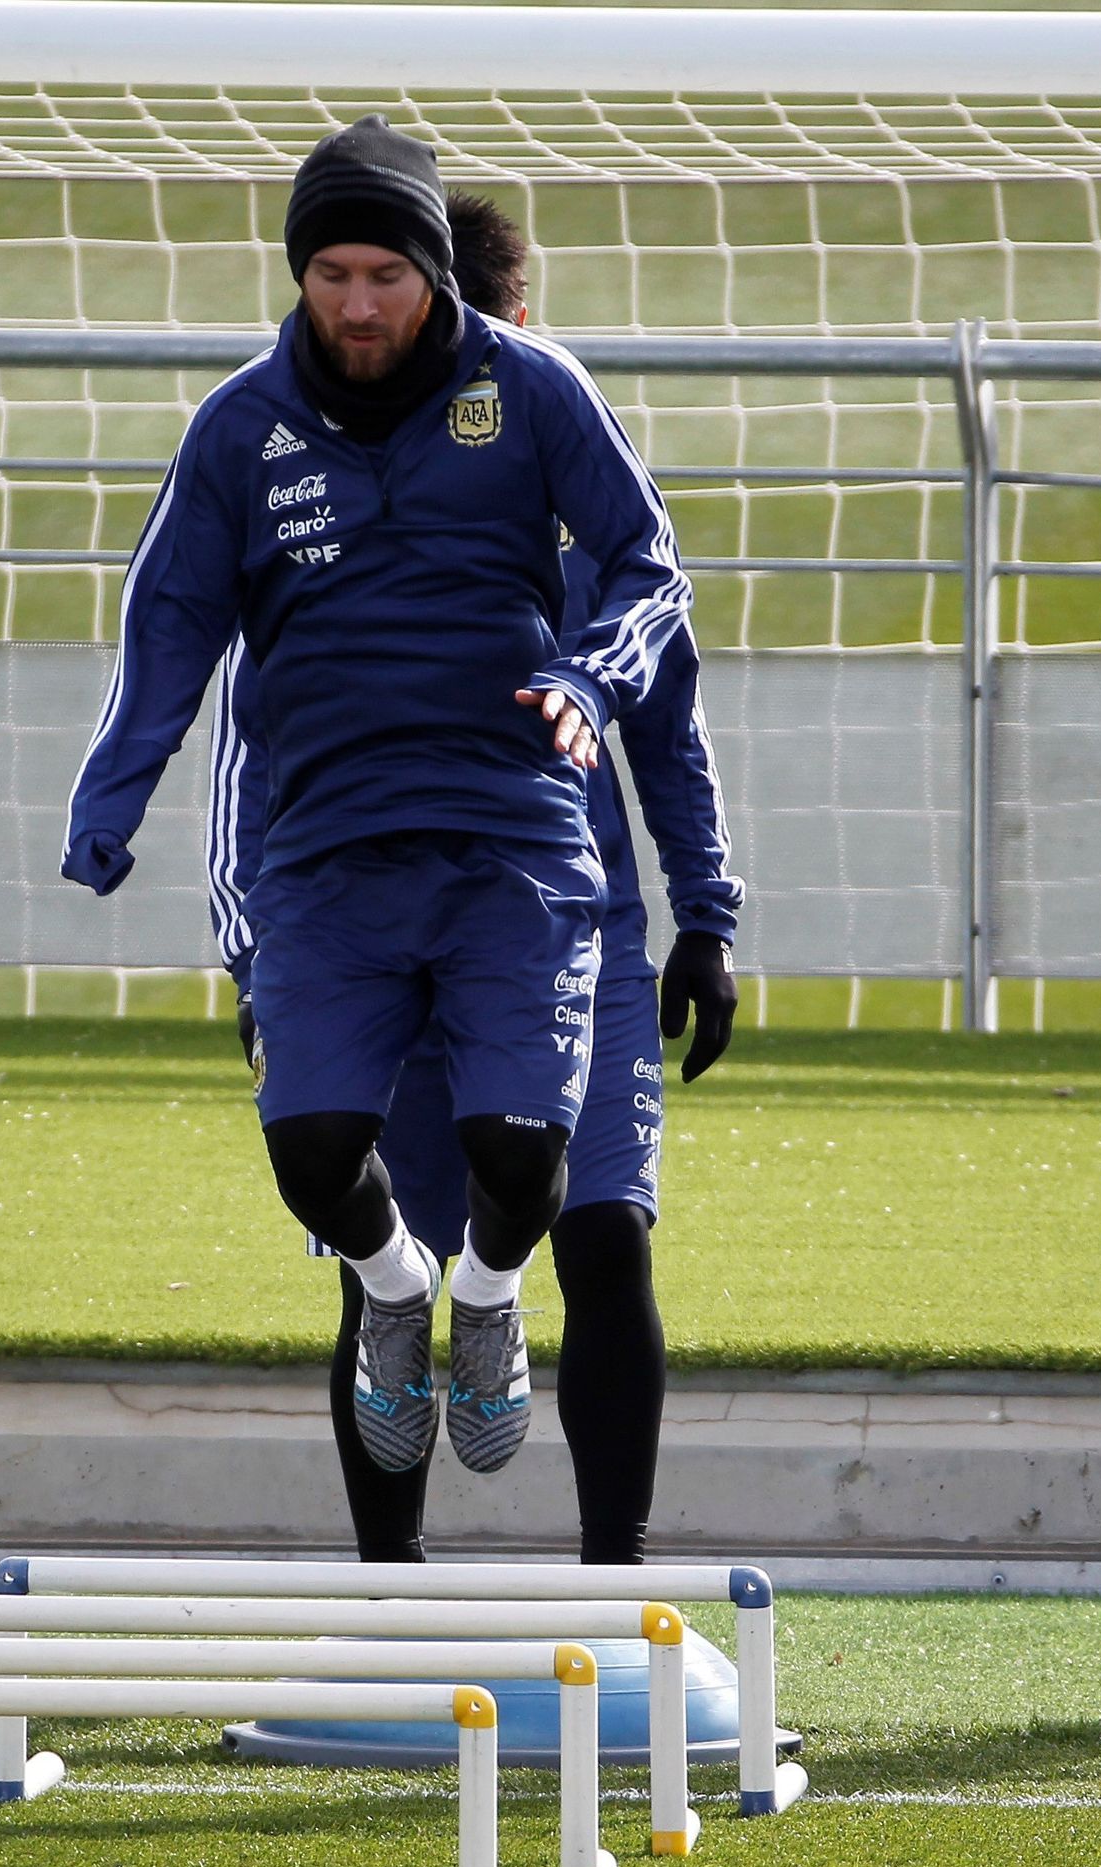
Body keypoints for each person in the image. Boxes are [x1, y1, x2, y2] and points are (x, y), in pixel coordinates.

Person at [65, 115, 696, 1484]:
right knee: (311, 1160)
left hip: (519, 852)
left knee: (543, 1174)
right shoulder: (241, 428)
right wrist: (109, 802)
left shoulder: (532, 392)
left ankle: (488, 1311)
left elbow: (657, 582)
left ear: (436, 280)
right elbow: (174, 620)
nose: (359, 302)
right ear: (301, 274)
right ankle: (407, 1296)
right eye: (332, 273)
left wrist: (600, 704)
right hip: (334, 865)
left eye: (387, 276)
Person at [205, 190, 742, 1562]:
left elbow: (670, 733)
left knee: (603, 1233)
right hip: (371, 916)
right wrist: (253, 948)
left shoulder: (599, 521)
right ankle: (392, 1589)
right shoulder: (320, 525)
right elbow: (246, 738)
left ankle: (614, 1582)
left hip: (572, 932)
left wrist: (706, 922)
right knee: (377, 1262)